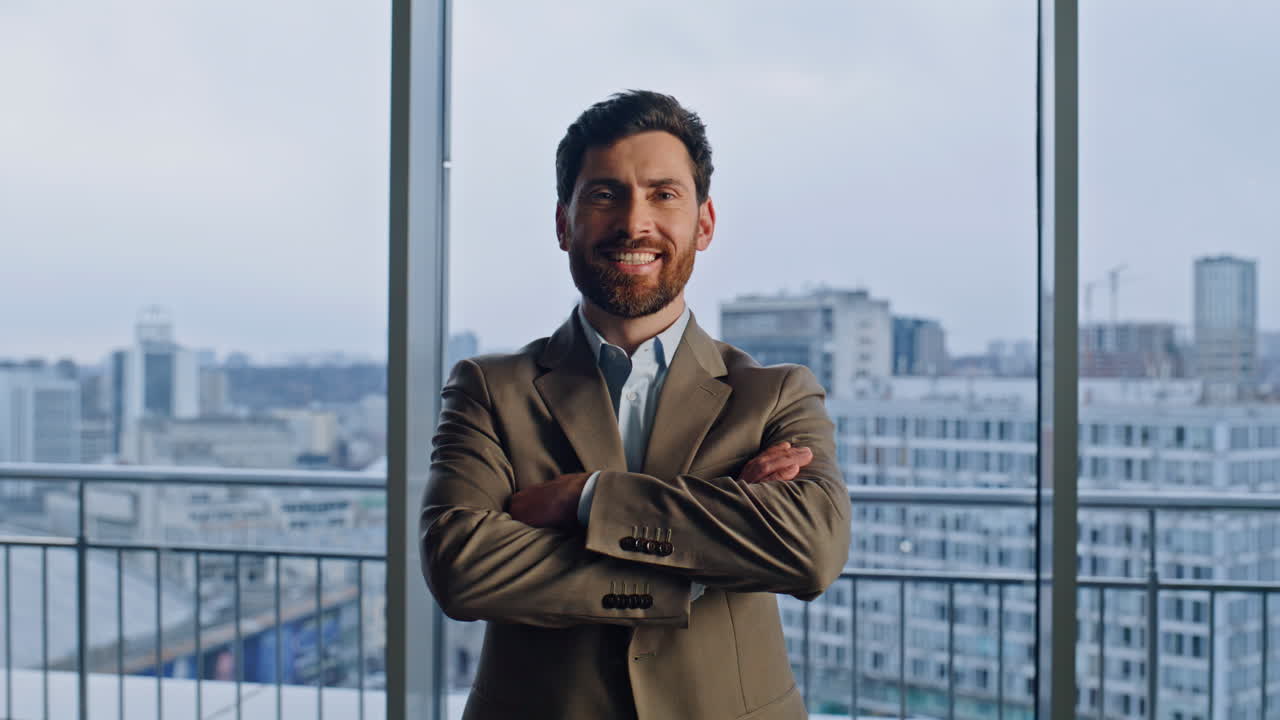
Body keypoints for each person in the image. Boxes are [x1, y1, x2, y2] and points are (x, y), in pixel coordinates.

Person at [420, 90, 851, 720]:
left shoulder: (777, 393)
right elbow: (462, 567)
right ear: (564, 222)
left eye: (663, 194)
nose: (633, 222)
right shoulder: (488, 388)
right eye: (603, 195)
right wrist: (707, 556)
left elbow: (810, 551)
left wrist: (586, 500)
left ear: (703, 224)